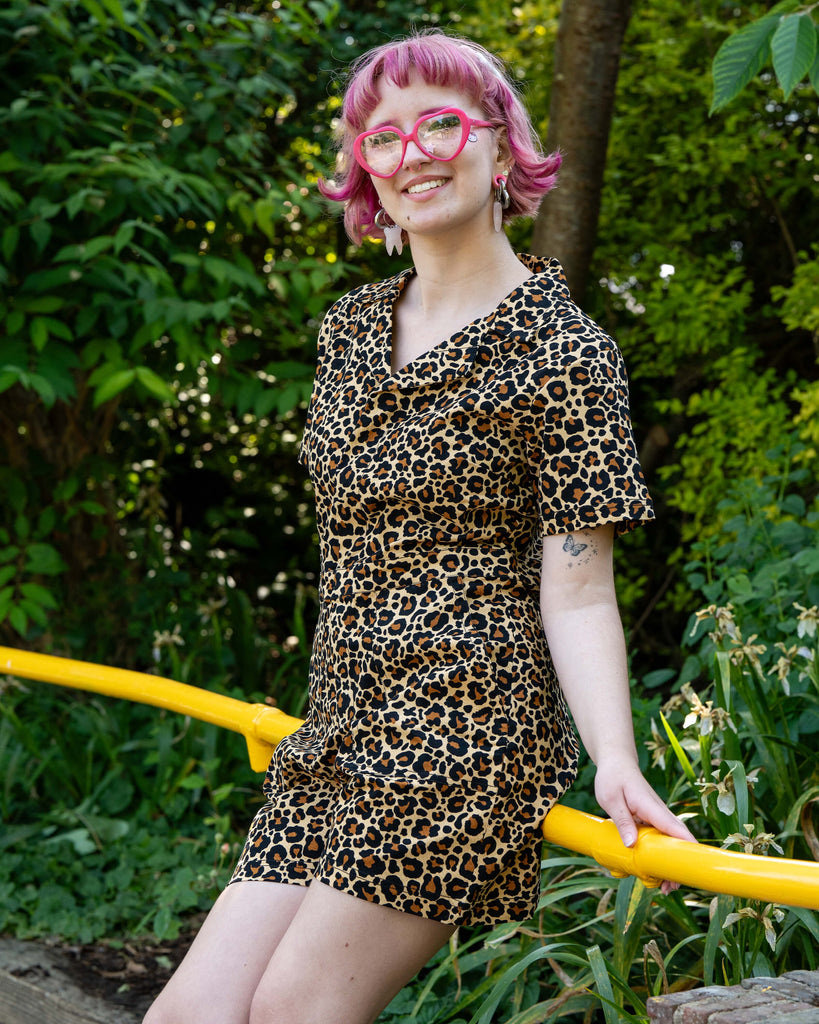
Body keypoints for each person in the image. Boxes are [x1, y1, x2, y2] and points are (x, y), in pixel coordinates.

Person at [144, 29, 695, 1024]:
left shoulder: (567, 355)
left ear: (499, 146)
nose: (414, 153)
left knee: (292, 1014)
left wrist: (614, 751)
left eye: (440, 122)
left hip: (463, 734)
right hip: (339, 729)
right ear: (366, 172)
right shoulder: (350, 329)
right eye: (383, 137)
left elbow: (577, 588)